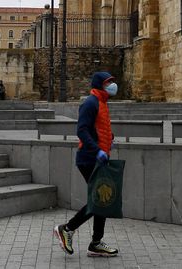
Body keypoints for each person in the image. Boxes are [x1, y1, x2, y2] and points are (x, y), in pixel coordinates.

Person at [54, 72, 119, 257]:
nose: (112, 85)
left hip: (99, 158)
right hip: (89, 159)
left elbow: (98, 128)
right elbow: (82, 131)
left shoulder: (103, 103)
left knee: (102, 201)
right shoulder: (90, 103)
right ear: (100, 84)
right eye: (109, 82)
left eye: (112, 82)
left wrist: (109, 140)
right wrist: (97, 149)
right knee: (99, 200)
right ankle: (67, 229)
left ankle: (96, 243)